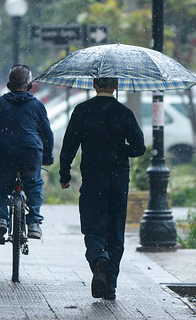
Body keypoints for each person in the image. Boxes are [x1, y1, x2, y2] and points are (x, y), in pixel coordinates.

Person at [59, 77, 146, 300]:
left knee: (92, 225)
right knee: (115, 229)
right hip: (118, 179)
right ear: (116, 85)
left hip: (93, 177)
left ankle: (99, 258)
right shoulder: (124, 112)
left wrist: (65, 173)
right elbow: (139, 147)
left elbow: (70, 144)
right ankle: (111, 285)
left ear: (95, 85)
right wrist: (119, 149)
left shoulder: (82, 110)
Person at [0, 65, 54, 245]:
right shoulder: (37, 105)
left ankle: (0, 219)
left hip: (2, 154)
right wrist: (48, 157)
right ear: (29, 86)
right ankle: (34, 222)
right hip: (29, 154)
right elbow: (47, 134)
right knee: (34, 184)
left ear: (8, 85)